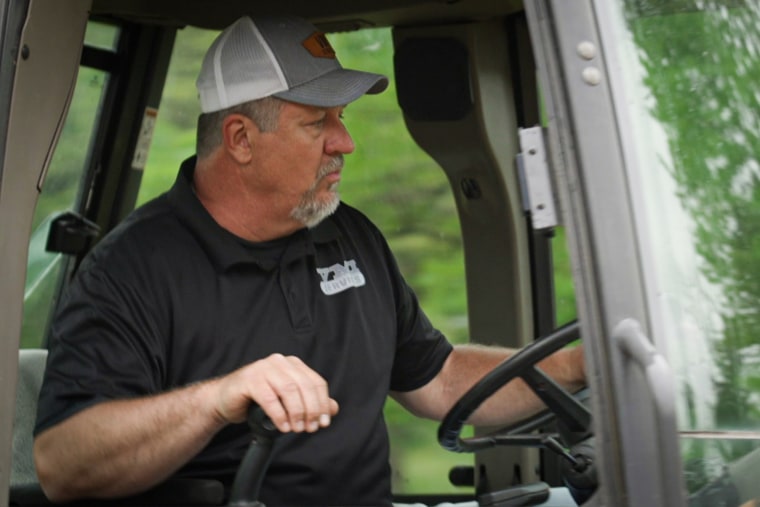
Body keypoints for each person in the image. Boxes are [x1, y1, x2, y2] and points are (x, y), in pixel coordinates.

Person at [32, 15, 586, 507]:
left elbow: (437, 380)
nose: (344, 142)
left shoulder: (350, 235)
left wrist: (581, 366)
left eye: (340, 117)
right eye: (317, 123)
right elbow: (62, 466)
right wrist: (217, 399)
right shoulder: (132, 270)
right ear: (241, 139)